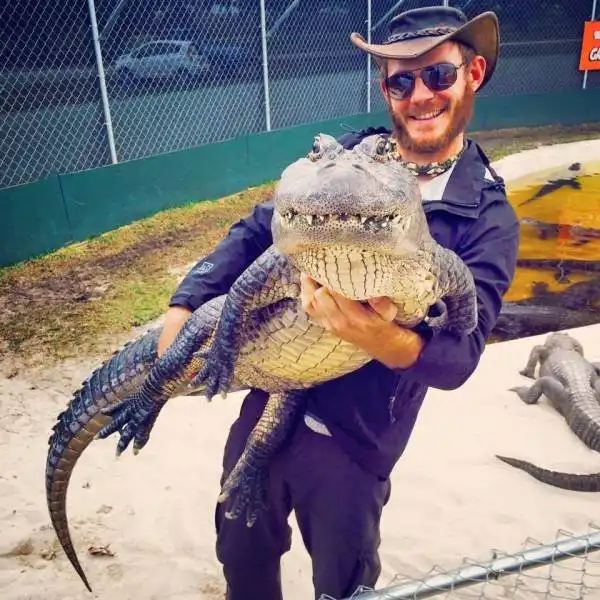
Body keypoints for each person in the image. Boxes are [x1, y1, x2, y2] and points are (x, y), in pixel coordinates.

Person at [158, 6, 520, 600]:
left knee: (344, 583)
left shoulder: (488, 218)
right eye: (401, 81)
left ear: (473, 73)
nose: (419, 96)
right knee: (241, 556)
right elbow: (259, 228)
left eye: (438, 75)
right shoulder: (344, 158)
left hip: (357, 439)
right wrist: (186, 302)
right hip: (272, 398)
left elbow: (458, 358)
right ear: (385, 88)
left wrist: (374, 335)